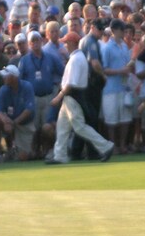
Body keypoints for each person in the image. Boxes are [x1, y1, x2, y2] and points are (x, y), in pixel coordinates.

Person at [46, 31, 115, 164]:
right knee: (62, 127)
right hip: (72, 96)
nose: (64, 45)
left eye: (66, 42)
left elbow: (71, 84)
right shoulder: (76, 58)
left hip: (73, 96)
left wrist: (58, 97)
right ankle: (59, 155)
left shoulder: (76, 59)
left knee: (79, 127)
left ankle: (106, 146)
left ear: (72, 43)